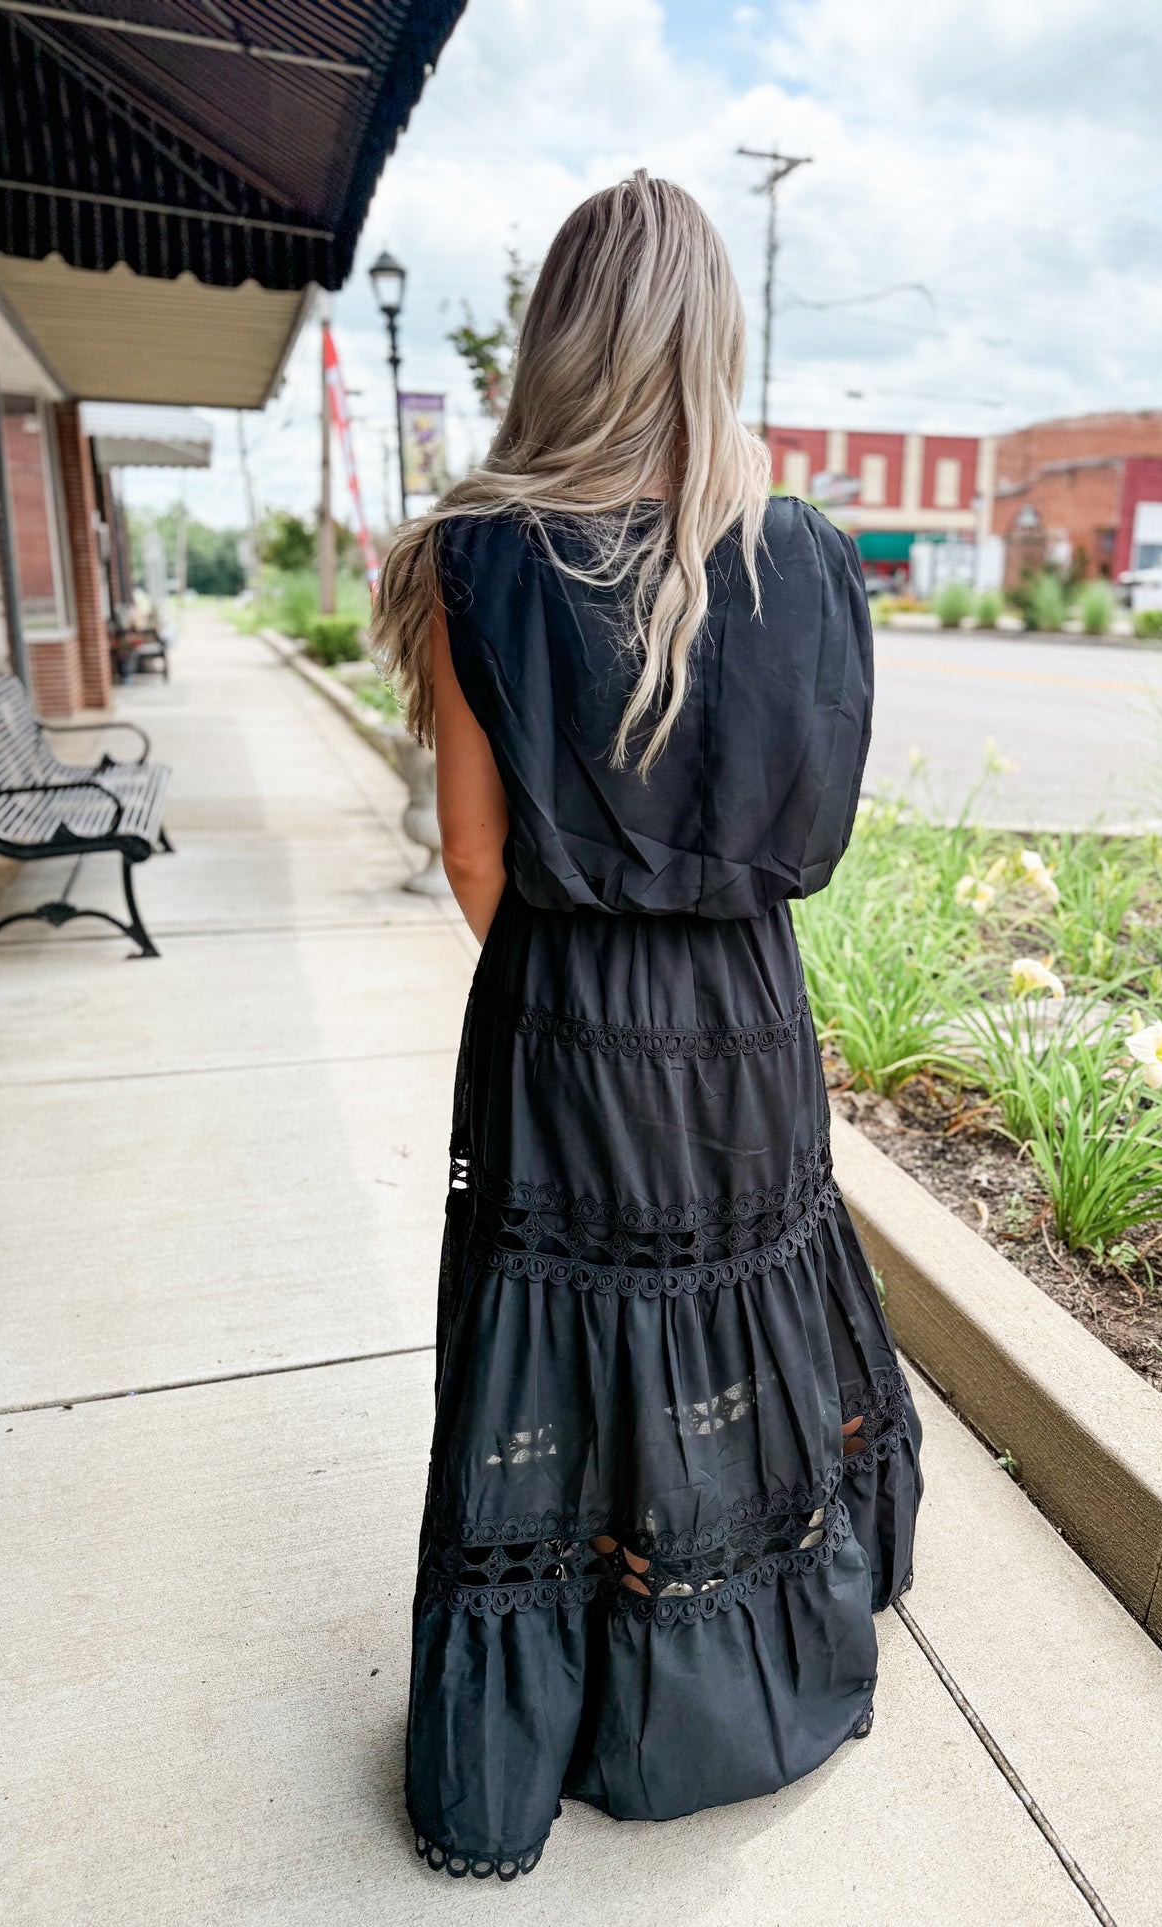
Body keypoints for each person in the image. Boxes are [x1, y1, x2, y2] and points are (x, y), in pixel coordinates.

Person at [372, 169, 922, 1881]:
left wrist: (571, 975)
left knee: (568, 1337)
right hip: (750, 1016)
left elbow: (473, 855)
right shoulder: (813, 555)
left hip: (562, 1014)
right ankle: (750, 1675)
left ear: (559, 338)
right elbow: (807, 831)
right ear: (713, 337)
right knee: (740, 1326)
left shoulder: (476, 559)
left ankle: (554, 1715)